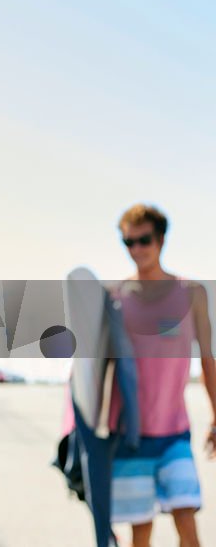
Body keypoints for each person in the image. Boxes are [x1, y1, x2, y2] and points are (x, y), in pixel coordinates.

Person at [108, 204, 216, 547]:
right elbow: (95, 371)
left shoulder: (192, 293)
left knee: (186, 519)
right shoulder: (115, 298)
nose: (137, 249)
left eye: (144, 240)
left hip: (175, 433)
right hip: (130, 435)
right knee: (140, 532)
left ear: (161, 239)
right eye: (129, 242)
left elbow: (208, 360)